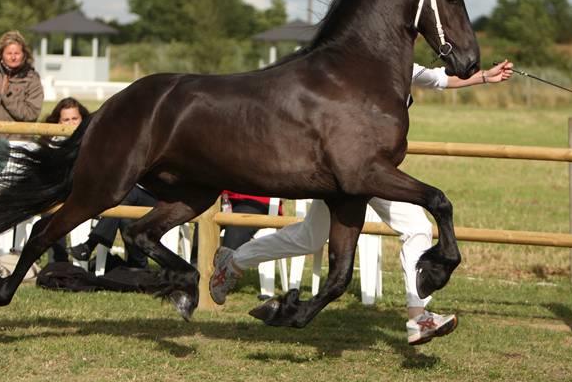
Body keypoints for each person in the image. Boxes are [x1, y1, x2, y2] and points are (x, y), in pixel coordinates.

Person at [211, 59, 515, 346]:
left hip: (372, 172)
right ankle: (418, 316)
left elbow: (439, 79)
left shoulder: (401, 65)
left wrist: (486, 76)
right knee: (409, 227)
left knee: (313, 236)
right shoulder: (358, 69)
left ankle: (235, 260)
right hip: (352, 170)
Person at [42, 97, 91, 262]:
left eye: (75, 119)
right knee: (51, 210)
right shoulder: (51, 144)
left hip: (85, 195)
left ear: (82, 119)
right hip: (59, 193)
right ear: (58, 122)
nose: (71, 124)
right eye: (66, 120)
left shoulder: (93, 142)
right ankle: (58, 261)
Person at [68, 184, 156, 269]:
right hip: (131, 194)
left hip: (158, 199)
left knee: (126, 194)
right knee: (124, 221)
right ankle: (139, 266)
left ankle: (89, 245)